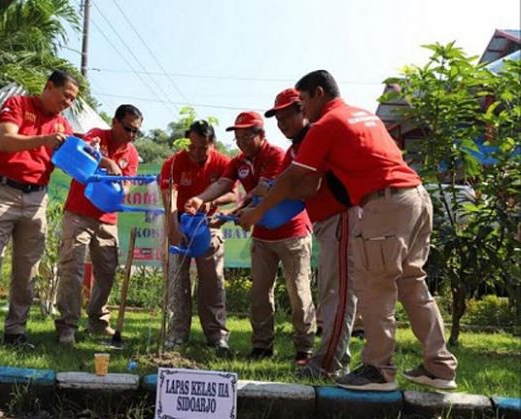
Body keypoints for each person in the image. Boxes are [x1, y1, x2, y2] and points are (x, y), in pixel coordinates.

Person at [240, 70, 458, 391]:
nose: (299, 112)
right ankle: (439, 366)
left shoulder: (326, 124)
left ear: (317, 94)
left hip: (383, 205)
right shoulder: (362, 115)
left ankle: (378, 370)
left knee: (375, 287)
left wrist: (258, 212)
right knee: (413, 283)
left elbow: (292, 181)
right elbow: (309, 184)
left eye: (301, 103)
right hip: (416, 197)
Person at [0, 69, 79, 349]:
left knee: (28, 271)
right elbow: (5, 141)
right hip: (3, 191)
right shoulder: (17, 105)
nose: (69, 104)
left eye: (73, 100)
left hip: (37, 197)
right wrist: (44, 140)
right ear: (50, 86)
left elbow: (72, 164)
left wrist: (90, 151)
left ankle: (15, 332)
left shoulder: (64, 126)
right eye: (66, 96)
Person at [186, 111, 316, 363]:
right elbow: (223, 184)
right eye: (237, 138)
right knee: (259, 293)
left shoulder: (276, 155)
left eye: (246, 136)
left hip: (292, 233)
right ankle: (262, 345)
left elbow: (263, 192)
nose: (242, 142)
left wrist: (229, 214)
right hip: (263, 235)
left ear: (261, 135)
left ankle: (305, 347)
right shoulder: (239, 162)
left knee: (298, 292)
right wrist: (201, 198)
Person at [265, 88, 358, 378]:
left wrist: (260, 207)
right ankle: (336, 360)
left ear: (303, 109)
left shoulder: (317, 136)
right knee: (333, 291)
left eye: (287, 116)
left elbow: (303, 186)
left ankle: (330, 365)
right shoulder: (295, 149)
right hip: (327, 223)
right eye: (277, 119)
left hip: (341, 216)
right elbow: (282, 184)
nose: (282, 124)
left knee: (337, 293)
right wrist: (261, 196)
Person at [54, 104, 143, 345]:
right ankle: (67, 326)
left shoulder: (132, 154)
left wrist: (124, 188)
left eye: (136, 132)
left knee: (107, 272)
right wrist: (107, 162)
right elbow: (84, 151)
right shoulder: (97, 135)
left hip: (107, 219)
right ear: (114, 122)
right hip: (79, 214)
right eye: (128, 129)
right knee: (73, 268)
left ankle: (98, 321)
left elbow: (128, 184)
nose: (132, 135)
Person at [159, 120, 236, 351]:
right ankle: (177, 333)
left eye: (202, 147)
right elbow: (169, 198)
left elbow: (233, 194)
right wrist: (174, 228)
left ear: (211, 143)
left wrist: (210, 201)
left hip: (208, 225)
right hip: (178, 221)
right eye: (191, 147)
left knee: (212, 281)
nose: (195, 153)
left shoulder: (223, 162)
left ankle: (217, 335)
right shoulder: (173, 163)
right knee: (176, 282)